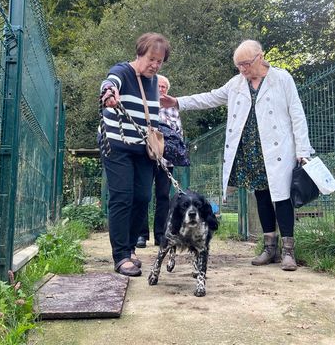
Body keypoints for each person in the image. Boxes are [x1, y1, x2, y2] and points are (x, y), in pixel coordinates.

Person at [160, 39, 314, 271]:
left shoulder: (282, 79)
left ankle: (288, 251)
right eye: (239, 65)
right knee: (261, 196)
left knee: (282, 198)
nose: (242, 69)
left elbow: (297, 115)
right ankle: (269, 248)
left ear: (260, 57)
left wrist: (303, 150)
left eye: (246, 64)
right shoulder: (236, 83)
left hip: (278, 149)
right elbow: (210, 97)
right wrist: (177, 101)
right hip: (250, 151)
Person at [99, 32, 171, 276]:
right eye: (151, 59)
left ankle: (130, 248)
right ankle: (121, 255)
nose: (155, 65)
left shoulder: (154, 81)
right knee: (122, 197)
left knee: (142, 197)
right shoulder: (122, 71)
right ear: (140, 53)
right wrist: (109, 93)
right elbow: (110, 82)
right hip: (117, 145)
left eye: (159, 61)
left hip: (143, 148)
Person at [136, 75, 183, 248]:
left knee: (163, 197)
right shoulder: (144, 104)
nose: (161, 89)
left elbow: (179, 134)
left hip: (166, 161)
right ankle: (141, 235)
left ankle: (160, 235)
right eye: (159, 86)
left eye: (164, 87)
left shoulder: (173, 110)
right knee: (143, 196)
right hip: (146, 156)